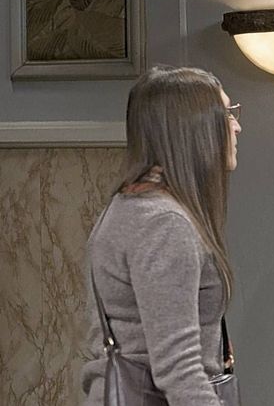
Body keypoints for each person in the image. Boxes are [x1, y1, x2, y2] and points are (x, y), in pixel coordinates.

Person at [81, 66, 242, 406]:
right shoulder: (165, 224)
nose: (237, 126)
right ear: (192, 129)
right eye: (227, 114)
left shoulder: (130, 206)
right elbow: (179, 371)